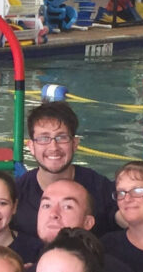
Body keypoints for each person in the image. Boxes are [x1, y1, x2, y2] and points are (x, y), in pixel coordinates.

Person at [31, 179, 141, 272]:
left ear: (88, 222)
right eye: (46, 205)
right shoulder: (23, 271)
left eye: (67, 207)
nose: (53, 213)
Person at [14, 102, 120, 238]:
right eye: (44, 138)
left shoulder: (100, 188)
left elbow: (126, 221)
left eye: (61, 137)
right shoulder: (18, 193)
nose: (53, 147)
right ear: (31, 146)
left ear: (75, 144)